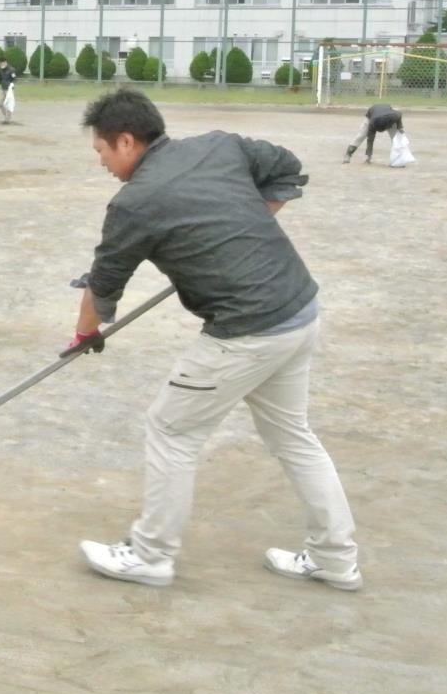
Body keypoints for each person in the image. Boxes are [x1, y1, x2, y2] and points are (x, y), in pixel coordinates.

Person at [71, 88, 360, 591]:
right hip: (299, 309)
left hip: (248, 331)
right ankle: (336, 559)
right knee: (293, 437)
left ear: (125, 141)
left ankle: (151, 554)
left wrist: (84, 334)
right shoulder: (219, 146)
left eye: (100, 152)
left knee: (171, 429)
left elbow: (102, 284)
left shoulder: (134, 203)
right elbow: (286, 168)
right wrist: (240, 227)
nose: (101, 164)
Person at [0, 59, 18, 125]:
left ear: (5, 62)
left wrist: (12, 84)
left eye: (1, 64)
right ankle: (6, 116)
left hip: (9, 89)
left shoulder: (11, 70)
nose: (0, 65)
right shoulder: (0, 70)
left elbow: (14, 78)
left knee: (9, 103)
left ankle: (7, 119)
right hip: (2, 88)